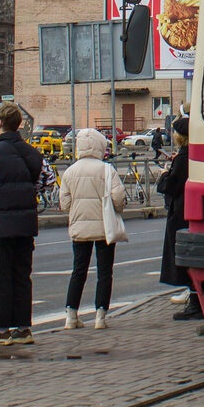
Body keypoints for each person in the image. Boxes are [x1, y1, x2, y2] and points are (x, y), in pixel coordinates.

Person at [0, 102, 56, 345]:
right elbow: (49, 179)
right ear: (18, 124)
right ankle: (23, 328)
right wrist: (30, 191)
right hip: (25, 226)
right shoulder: (32, 153)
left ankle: (0, 331)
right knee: (21, 276)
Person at [57, 128, 127, 330]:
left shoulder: (70, 171)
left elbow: (65, 204)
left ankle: (71, 315)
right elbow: (118, 198)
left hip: (80, 227)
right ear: (100, 146)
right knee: (105, 272)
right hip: (105, 227)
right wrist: (118, 210)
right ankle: (100, 316)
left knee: (78, 270)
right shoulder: (107, 170)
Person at [158, 115, 200, 319]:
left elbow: (172, 185)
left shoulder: (184, 157)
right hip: (188, 210)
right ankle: (197, 301)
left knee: (184, 257)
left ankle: (195, 303)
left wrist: (164, 175)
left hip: (181, 212)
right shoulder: (192, 154)